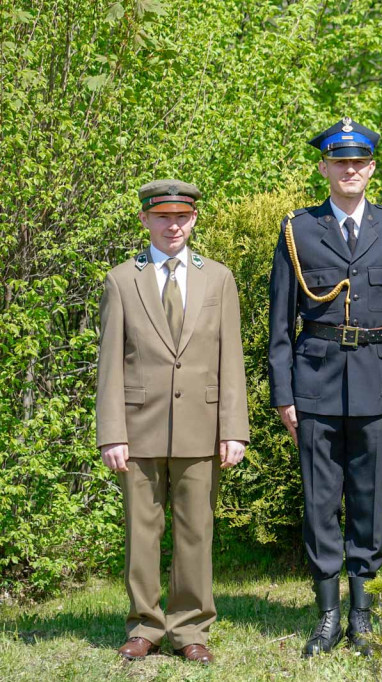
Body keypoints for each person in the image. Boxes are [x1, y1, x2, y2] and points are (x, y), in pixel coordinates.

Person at [268, 116, 382, 657]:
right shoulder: (298, 229)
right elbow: (281, 322)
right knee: (319, 501)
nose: (350, 169)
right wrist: (284, 395)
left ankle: (362, 614)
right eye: (340, 161)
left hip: (379, 382)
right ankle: (327, 616)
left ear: (371, 168)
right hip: (315, 381)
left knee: (369, 500)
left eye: (359, 161)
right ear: (324, 168)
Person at [96, 179, 249, 665]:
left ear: (194, 220)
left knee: (195, 532)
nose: (173, 225)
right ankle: (144, 625)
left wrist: (233, 429)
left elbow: (231, 359)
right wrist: (112, 433)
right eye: (162, 217)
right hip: (138, 429)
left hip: (202, 427)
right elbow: (110, 363)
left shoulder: (218, 279)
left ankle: (190, 629)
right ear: (145, 220)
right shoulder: (122, 280)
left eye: (181, 217)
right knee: (141, 533)